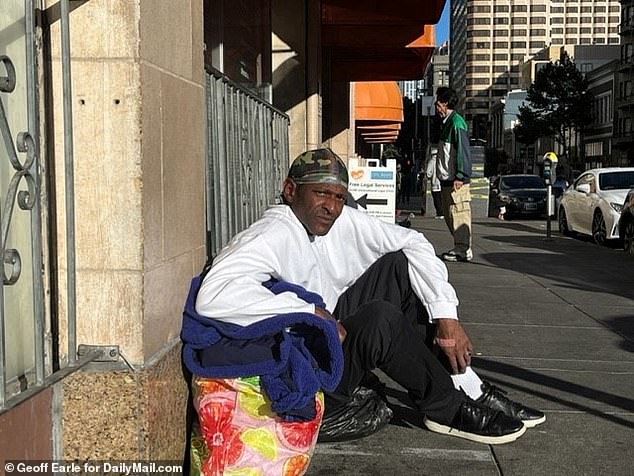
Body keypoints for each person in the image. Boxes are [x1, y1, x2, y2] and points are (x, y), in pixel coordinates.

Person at [195, 148, 545, 448]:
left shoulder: (339, 218)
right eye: (320, 194)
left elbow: (414, 242)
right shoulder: (272, 233)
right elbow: (213, 295)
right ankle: (446, 409)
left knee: (398, 266)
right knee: (381, 320)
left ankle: (466, 382)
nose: (331, 206)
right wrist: (307, 311)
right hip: (314, 364)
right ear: (290, 191)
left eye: (337, 196)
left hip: (331, 332)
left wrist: (446, 318)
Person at [434, 87, 473, 262]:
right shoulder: (448, 124)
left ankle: (463, 249)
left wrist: (460, 176)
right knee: (452, 215)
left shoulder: (456, 123)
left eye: (438, 102)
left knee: (458, 213)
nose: (436, 106)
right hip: (447, 179)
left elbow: (462, 152)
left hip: (455, 180)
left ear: (444, 103)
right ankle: (460, 247)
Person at [421, 144, 444, 219]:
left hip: (434, 183)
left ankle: (439, 213)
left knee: (436, 199)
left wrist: (428, 176)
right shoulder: (442, 160)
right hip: (442, 183)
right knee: (441, 198)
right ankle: (443, 213)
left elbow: (428, 172)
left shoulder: (431, 161)